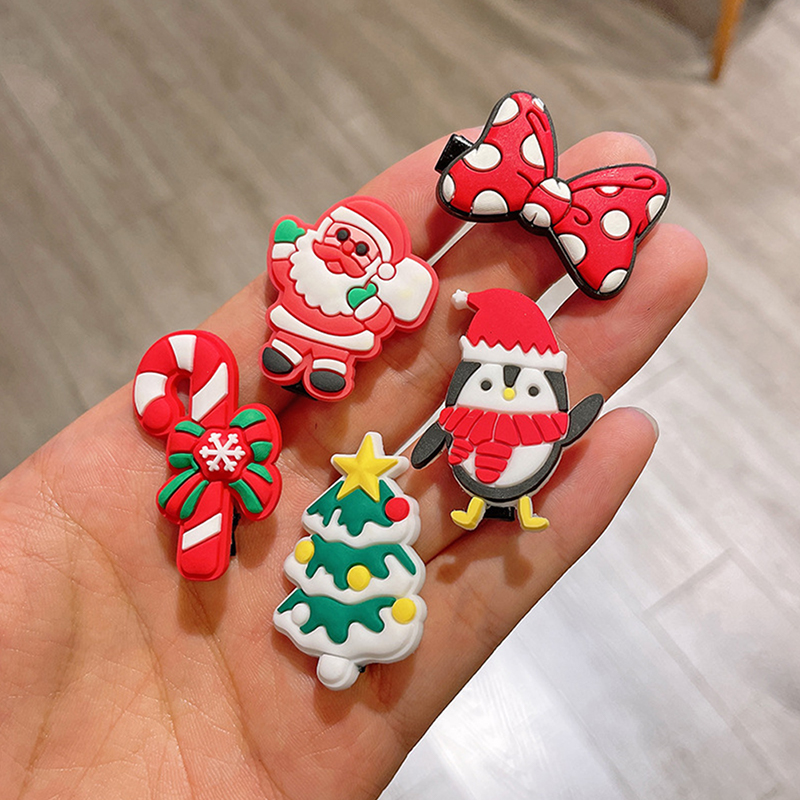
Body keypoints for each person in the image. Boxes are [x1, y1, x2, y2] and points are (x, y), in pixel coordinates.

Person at [0, 130, 706, 799]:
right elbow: (293, 254)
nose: (340, 249)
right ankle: (308, 362)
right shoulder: (306, 263)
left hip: (367, 387)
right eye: (337, 238)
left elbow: (428, 337)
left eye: (354, 245)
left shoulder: (394, 301)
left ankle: (328, 369)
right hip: (298, 352)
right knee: (297, 367)